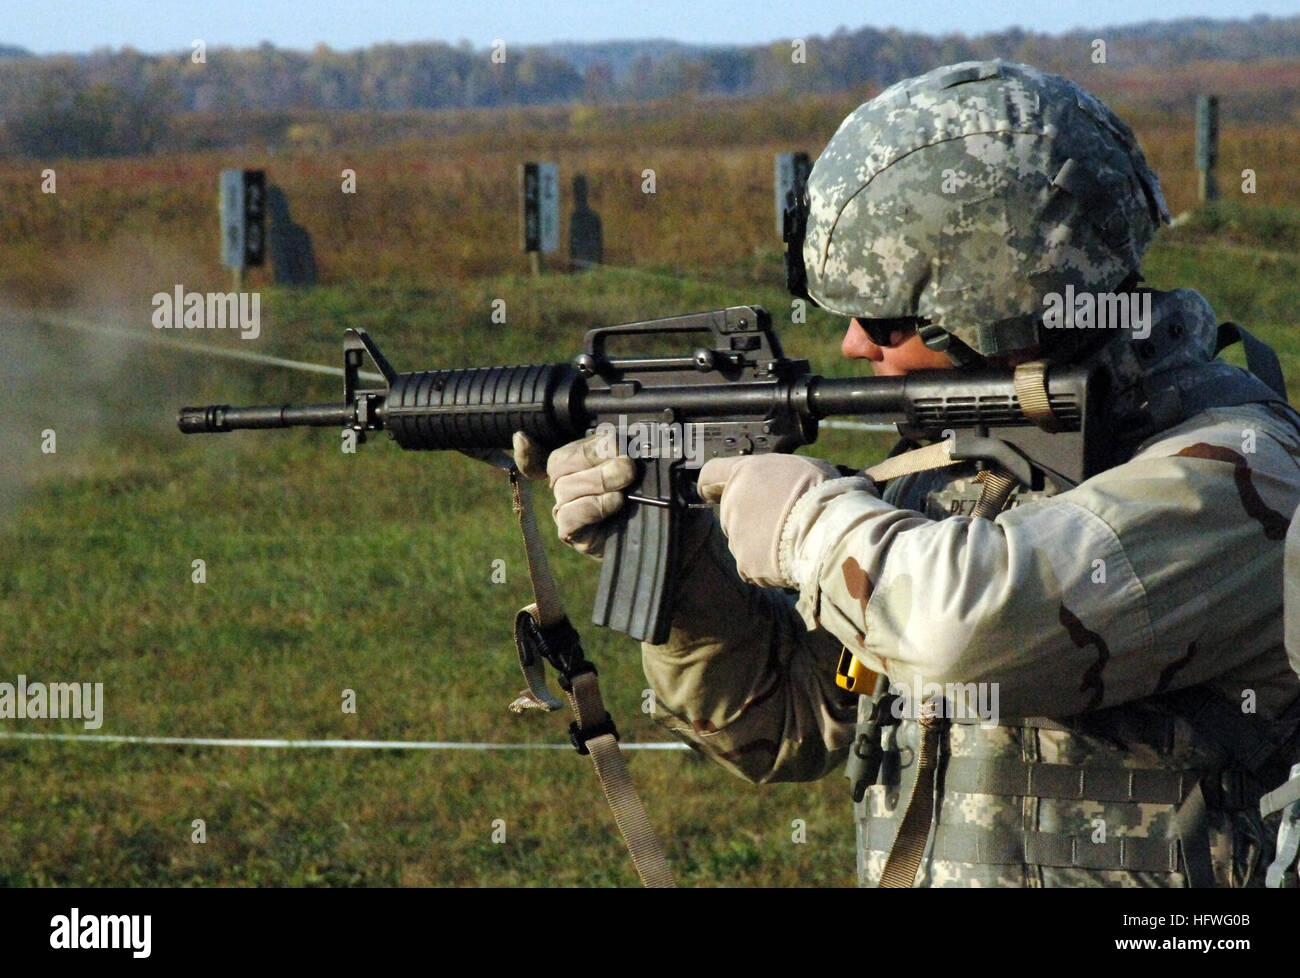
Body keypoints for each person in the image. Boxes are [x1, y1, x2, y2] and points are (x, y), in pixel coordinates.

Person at [515, 60, 1300, 887]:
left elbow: (966, 622)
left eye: (884, 320)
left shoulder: (1234, 471)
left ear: (999, 298)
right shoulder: (954, 462)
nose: (854, 346)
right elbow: (790, 723)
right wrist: (680, 566)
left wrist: (805, 525)